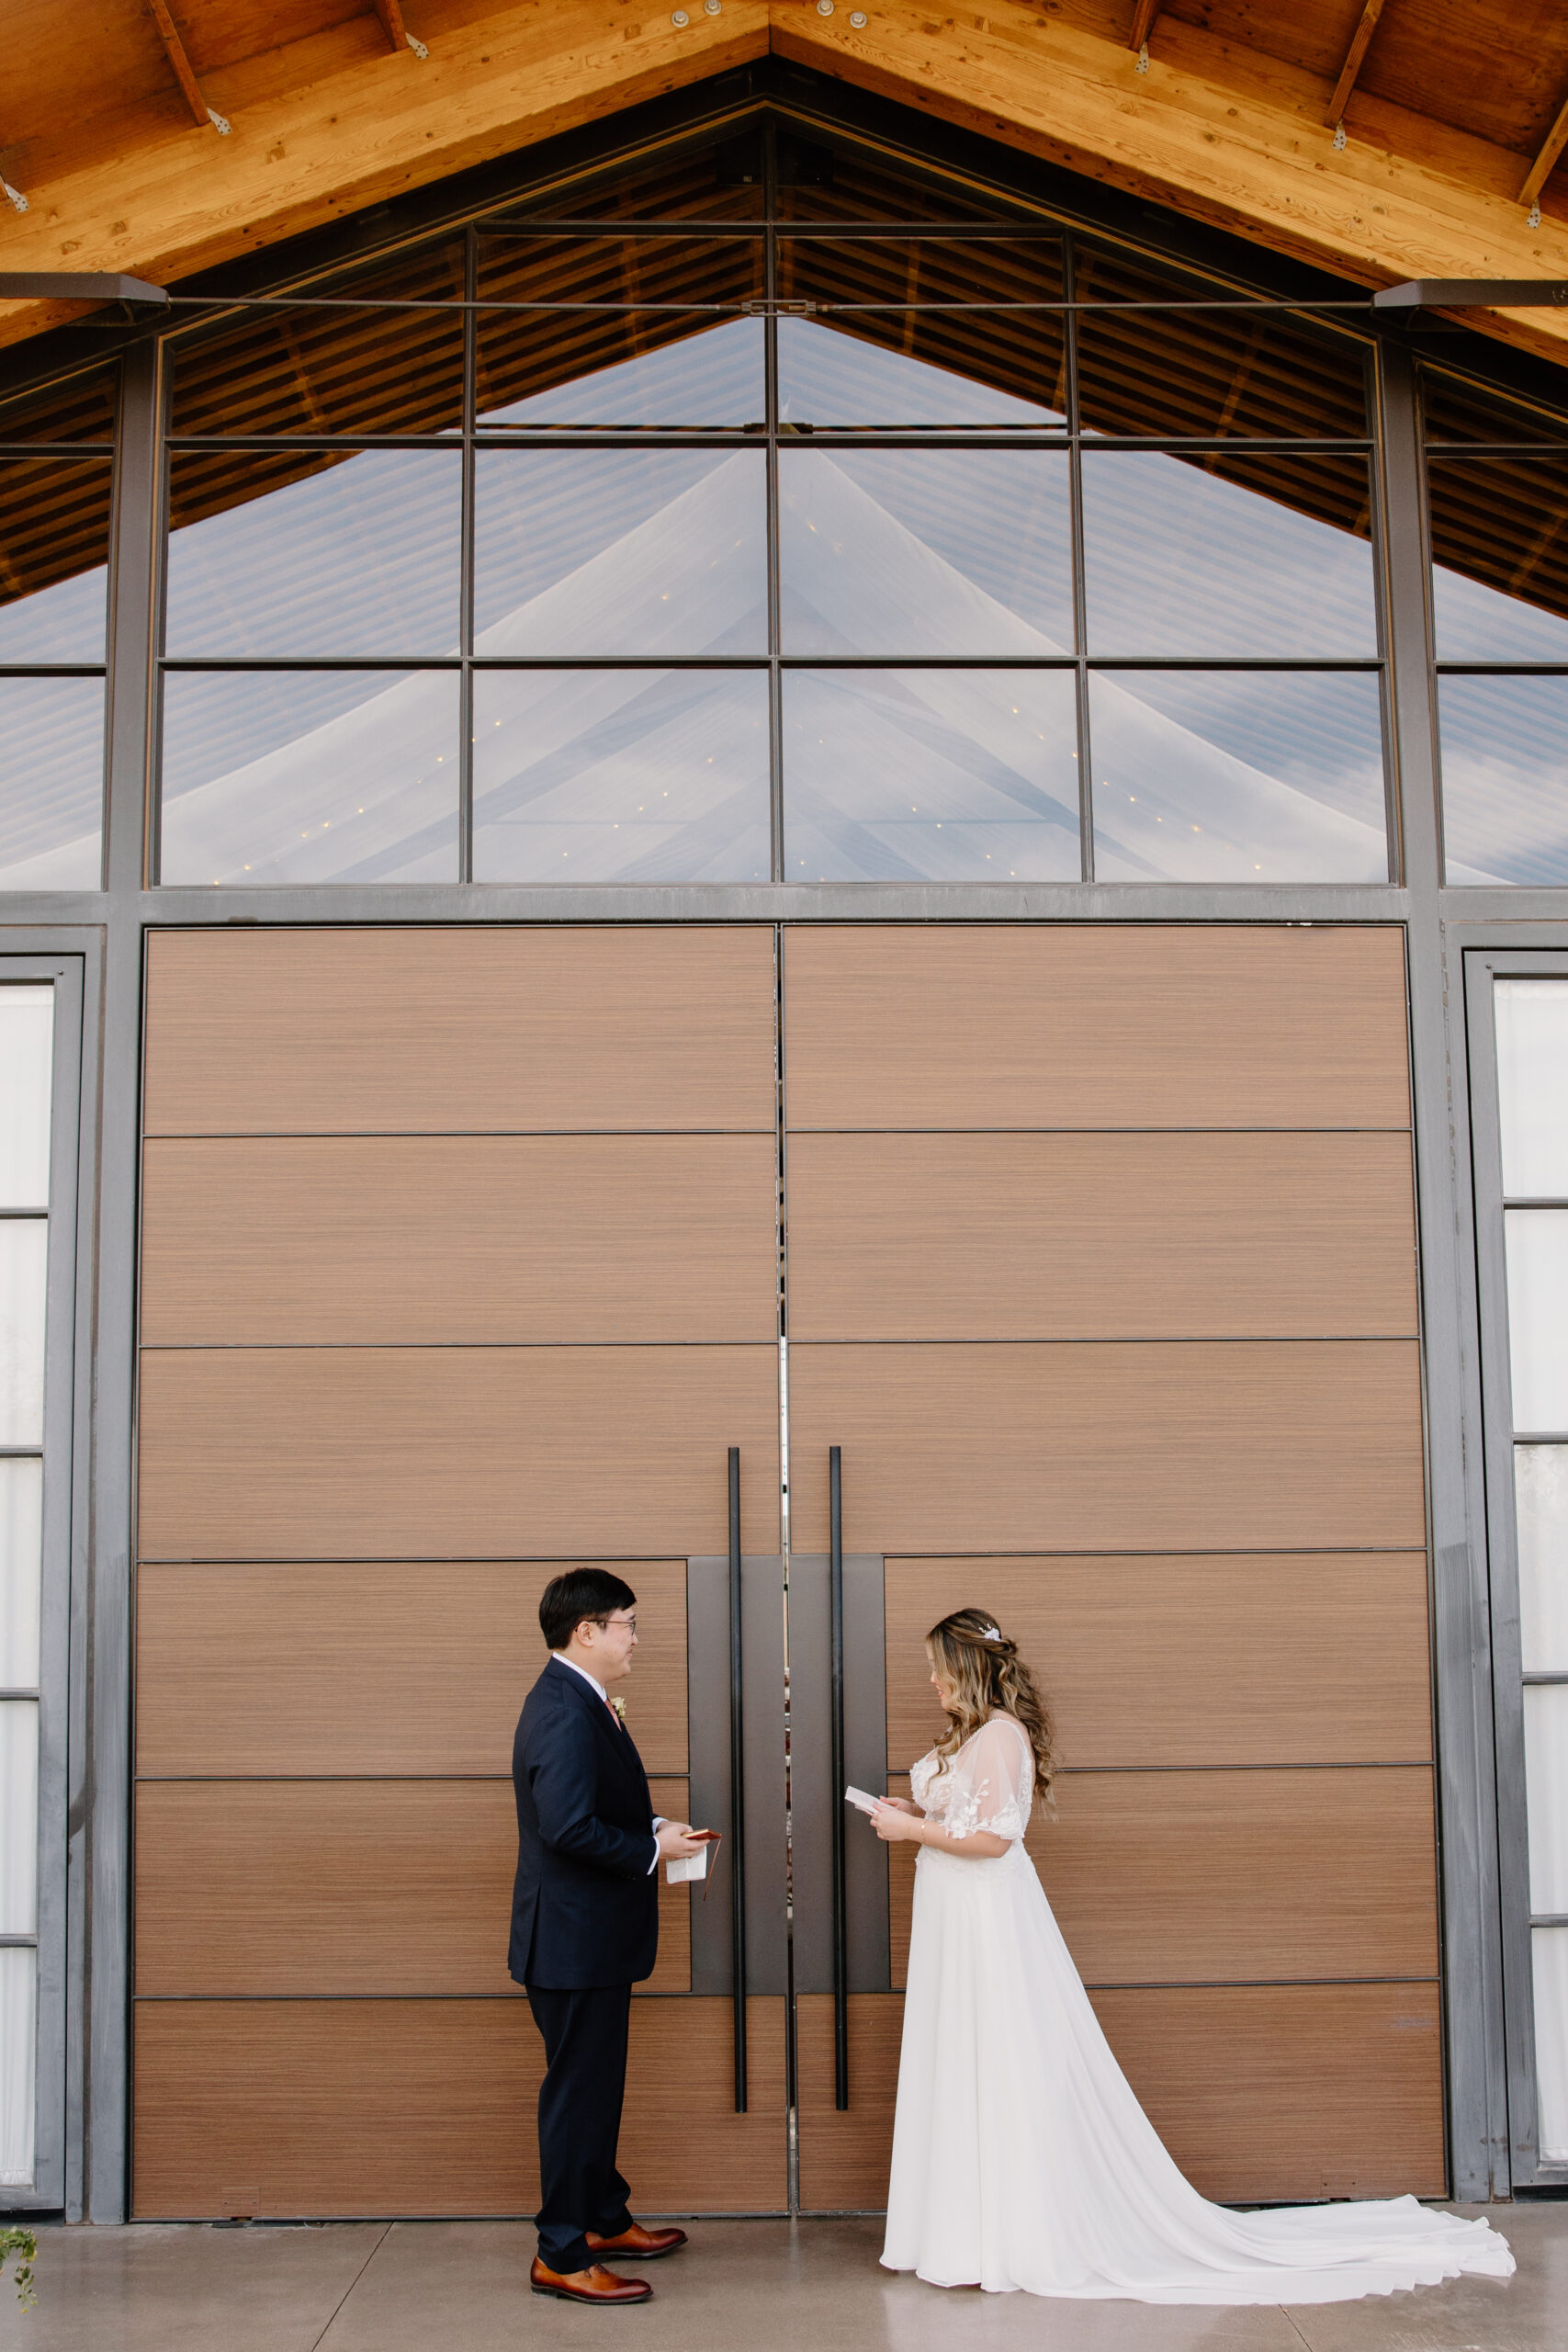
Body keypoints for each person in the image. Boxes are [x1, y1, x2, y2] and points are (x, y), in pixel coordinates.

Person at [865, 1606, 1515, 2304]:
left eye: (937, 1668)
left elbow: (994, 1842)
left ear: (964, 1667)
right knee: (970, 2057)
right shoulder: (982, 1737)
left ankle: (999, 2234)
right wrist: (921, 1813)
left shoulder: (997, 1735)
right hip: (960, 1915)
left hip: (981, 1919)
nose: (931, 1682)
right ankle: (967, 2228)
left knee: (991, 2058)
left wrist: (909, 1834)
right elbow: (971, 1819)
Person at [510, 1566, 711, 2307]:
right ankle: (561, 2253)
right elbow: (565, 1828)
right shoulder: (564, 1708)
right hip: (570, 1943)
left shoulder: (580, 1698)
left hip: (587, 1939)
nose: (635, 1638)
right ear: (586, 1630)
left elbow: (590, 1807)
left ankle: (600, 2217)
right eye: (628, 1623)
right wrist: (656, 1854)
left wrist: (653, 1827)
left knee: (594, 2089)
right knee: (576, 2095)